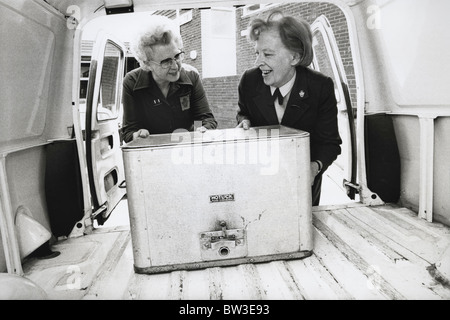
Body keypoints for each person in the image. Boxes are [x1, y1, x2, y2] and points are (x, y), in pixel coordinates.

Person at [236, 12, 342, 206]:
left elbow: (330, 143)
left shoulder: (320, 86)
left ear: (294, 57)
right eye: (257, 53)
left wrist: (313, 168)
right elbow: (244, 112)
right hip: (261, 178)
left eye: (267, 54)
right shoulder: (249, 81)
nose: (257, 62)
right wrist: (244, 121)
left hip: (304, 183)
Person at [121, 15, 217, 143]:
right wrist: (137, 134)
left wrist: (199, 130)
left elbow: (205, 118)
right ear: (147, 63)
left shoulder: (192, 77)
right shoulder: (131, 82)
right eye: (166, 61)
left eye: (177, 56)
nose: (175, 65)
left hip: (186, 149)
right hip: (151, 153)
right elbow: (128, 132)